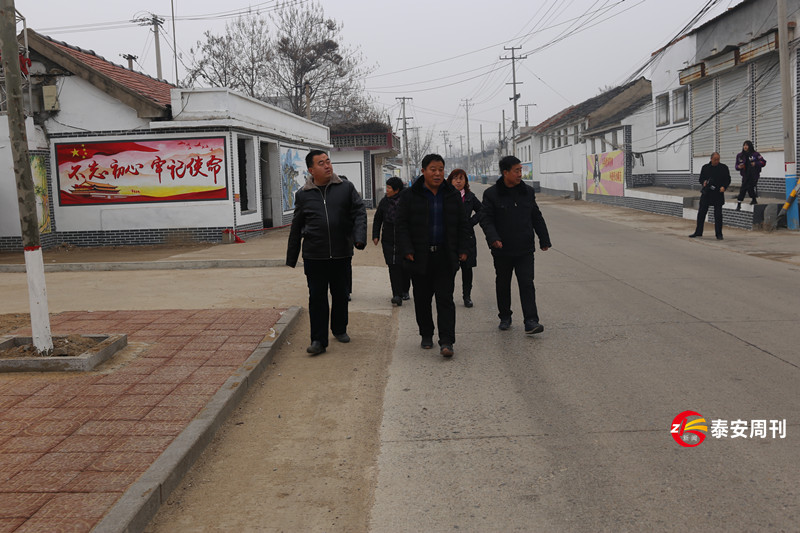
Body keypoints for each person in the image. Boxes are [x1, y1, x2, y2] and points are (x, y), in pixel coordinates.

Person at [286, 150, 367, 355]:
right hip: (315, 255)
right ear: (312, 170)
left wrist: (359, 237)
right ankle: (318, 341)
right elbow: (297, 225)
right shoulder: (303, 194)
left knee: (340, 294)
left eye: (328, 161)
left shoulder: (346, 188)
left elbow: (359, 212)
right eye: (321, 163)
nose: (327, 166)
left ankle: (339, 329)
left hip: (341, 252)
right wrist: (292, 256)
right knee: (317, 298)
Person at [397, 154, 469, 358]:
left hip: (445, 256)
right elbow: (401, 226)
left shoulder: (452, 195)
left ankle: (447, 341)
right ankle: (426, 334)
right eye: (433, 169)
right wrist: (407, 249)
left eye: (440, 169)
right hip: (420, 257)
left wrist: (463, 249)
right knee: (422, 299)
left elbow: (463, 224)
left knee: (445, 299)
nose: (437, 174)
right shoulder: (410, 195)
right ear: (423, 171)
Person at [480, 155, 551, 335]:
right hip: (502, 248)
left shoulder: (527, 191)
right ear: (505, 173)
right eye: (517, 171)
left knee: (527, 283)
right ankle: (505, 316)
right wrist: (493, 238)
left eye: (521, 170)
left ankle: (531, 320)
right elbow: (486, 219)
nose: (520, 174)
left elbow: (536, 215)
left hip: (525, 248)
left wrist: (544, 238)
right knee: (503, 284)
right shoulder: (491, 194)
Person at [446, 168, 482, 307]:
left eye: (461, 178)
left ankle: (467, 296)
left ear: (466, 181)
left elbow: (482, 210)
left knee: (467, 270)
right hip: (450, 238)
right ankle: (448, 296)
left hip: (467, 238)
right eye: (455, 178)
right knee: (450, 269)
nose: (458, 181)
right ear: (450, 180)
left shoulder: (470, 197)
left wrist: (471, 222)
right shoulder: (445, 196)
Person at [373, 177, 411, 306]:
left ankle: (405, 290)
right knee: (393, 265)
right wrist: (375, 235)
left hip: (404, 238)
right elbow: (378, 219)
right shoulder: (384, 202)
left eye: (389, 188)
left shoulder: (406, 201)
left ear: (396, 190)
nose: (386, 190)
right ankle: (396, 294)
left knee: (404, 267)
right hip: (388, 239)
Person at [689, 152, 731, 240]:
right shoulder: (705, 168)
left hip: (718, 194)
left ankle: (719, 234)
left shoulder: (723, 168)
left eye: (718, 159)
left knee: (718, 215)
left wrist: (724, 187)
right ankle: (698, 231)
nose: (716, 161)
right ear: (711, 159)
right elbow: (701, 179)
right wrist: (704, 182)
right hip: (707, 193)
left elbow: (728, 179)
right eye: (715, 159)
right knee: (701, 213)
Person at [735, 140, 766, 210]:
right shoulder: (740, 156)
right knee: (743, 188)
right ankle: (739, 203)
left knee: (750, 187)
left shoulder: (755, 154)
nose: (745, 147)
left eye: (747, 145)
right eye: (744, 145)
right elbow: (736, 166)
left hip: (754, 175)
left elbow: (763, 162)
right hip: (745, 175)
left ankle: (753, 198)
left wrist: (756, 164)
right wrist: (739, 167)